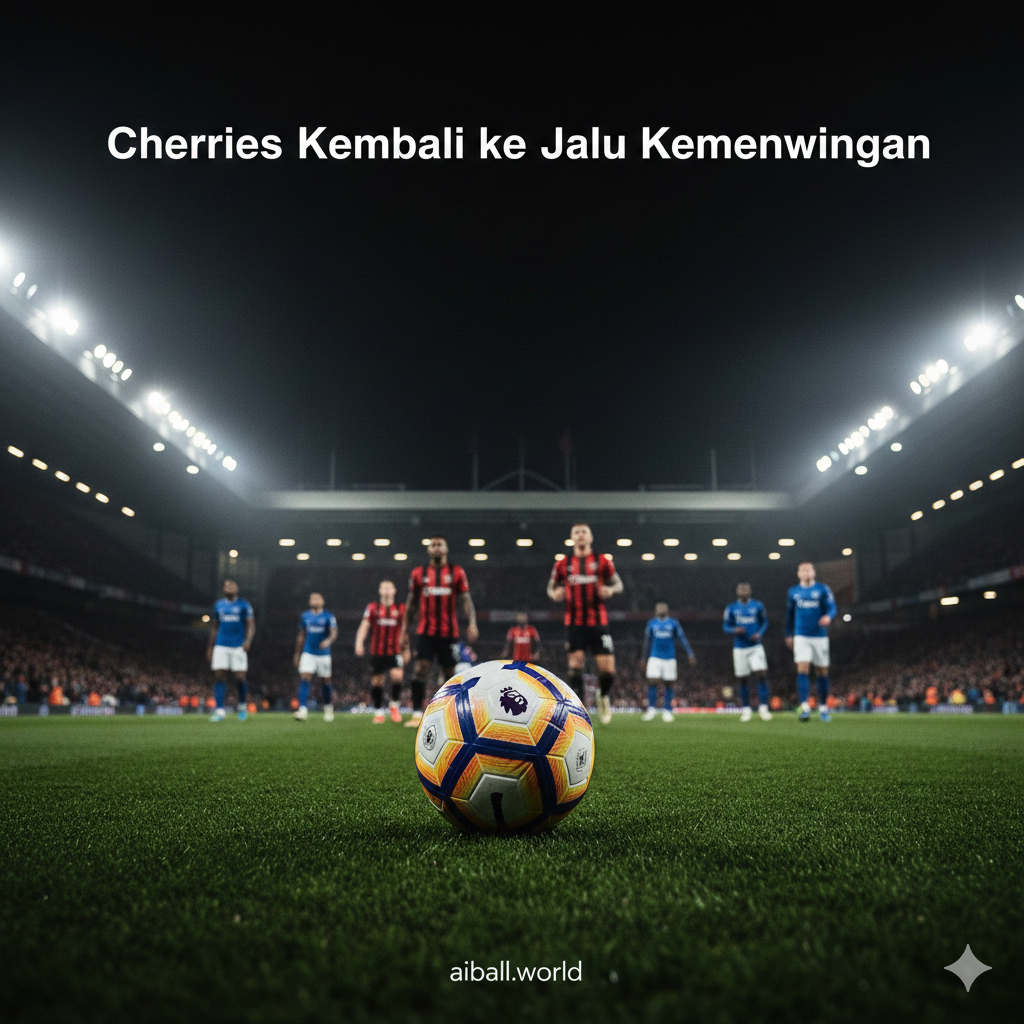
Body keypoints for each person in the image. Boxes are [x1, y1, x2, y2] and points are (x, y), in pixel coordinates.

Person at [547, 521, 624, 724]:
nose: (580, 535)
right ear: (572, 537)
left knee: (608, 671)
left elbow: (618, 584)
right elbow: (551, 587)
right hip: (574, 623)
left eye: (584, 532)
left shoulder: (602, 561)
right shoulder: (563, 563)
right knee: (575, 667)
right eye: (577, 532)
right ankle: (579, 710)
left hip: (598, 623)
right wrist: (555, 593)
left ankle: (603, 695)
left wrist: (610, 590)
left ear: (590, 537)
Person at [400, 536, 478, 728]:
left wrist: (472, 623)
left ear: (446, 548)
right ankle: (416, 714)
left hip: (449, 633)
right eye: (433, 545)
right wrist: (404, 630)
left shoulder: (456, 572)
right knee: (420, 670)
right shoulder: (419, 573)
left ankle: (451, 715)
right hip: (425, 632)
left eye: (439, 544)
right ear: (428, 550)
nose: (436, 548)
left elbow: (466, 600)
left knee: (450, 673)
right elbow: (411, 604)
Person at [785, 561, 837, 722]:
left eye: (809, 569)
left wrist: (828, 616)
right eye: (803, 570)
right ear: (798, 573)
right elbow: (789, 615)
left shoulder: (823, 589)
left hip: (819, 635)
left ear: (813, 572)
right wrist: (788, 634)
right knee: (802, 668)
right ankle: (805, 707)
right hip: (801, 635)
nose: (806, 572)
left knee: (822, 671)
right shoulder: (793, 592)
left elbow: (832, 607)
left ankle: (823, 708)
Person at [355, 580, 408, 724]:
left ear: (394, 590)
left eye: (389, 587)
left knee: (397, 676)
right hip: (377, 650)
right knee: (377, 681)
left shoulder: (401, 608)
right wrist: (359, 643)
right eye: (384, 588)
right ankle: (378, 711)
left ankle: (394, 705)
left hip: (395, 650)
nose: (386, 590)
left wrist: (406, 648)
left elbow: (404, 630)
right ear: (380, 591)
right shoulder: (373, 608)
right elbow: (364, 626)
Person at [206, 579, 255, 722]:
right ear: (223, 589)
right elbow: (214, 627)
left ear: (237, 588)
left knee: (240, 677)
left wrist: (248, 640)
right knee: (219, 676)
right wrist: (210, 647)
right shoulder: (218, 605)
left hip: (238, 646)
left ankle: (242, 707)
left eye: (231, 585)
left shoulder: (244, 605)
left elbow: (251, 625)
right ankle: (219, 711)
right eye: (226, 586)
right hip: (221, 645)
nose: (229, 587)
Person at [723, 582, 772, 722]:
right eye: (741, 589)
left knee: (761, 674)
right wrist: (734, 630)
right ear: (737, 592)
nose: (743, 591)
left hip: (755, 646)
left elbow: (765, 622)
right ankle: (746, 709)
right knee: (743, 679)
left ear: (750, 591)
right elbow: (725, 626)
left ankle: (764, 708)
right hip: (739, 648)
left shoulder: (758, 605)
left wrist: (759, 633)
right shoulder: (731, 607)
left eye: (746, 589)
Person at [641, 602, 695, 722]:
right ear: (656, 610)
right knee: (652, 681)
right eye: (659, 608)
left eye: (663, 608)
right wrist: (644, 658)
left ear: (667, 610)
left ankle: (667, 711)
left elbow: (682, 638)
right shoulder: (652, 623)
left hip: (669, 657)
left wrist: (690, 653)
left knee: (669, 684)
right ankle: (651, 710)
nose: (661, 609)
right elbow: (647, 641)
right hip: (655, 656)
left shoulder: (673, 623)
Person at [292, 592, 338, 722]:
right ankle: (302, 710)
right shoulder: (305, 616)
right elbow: (301, 635)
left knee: (325, 681)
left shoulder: (328, 616)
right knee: (304, 677)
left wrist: (328, 641)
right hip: (308, 652)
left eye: (317, 598)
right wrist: (297, 654)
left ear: (322, 601)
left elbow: (333, 633)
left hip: (323, 654)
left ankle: (328, 708)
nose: (315, 600)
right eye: (312, 598)